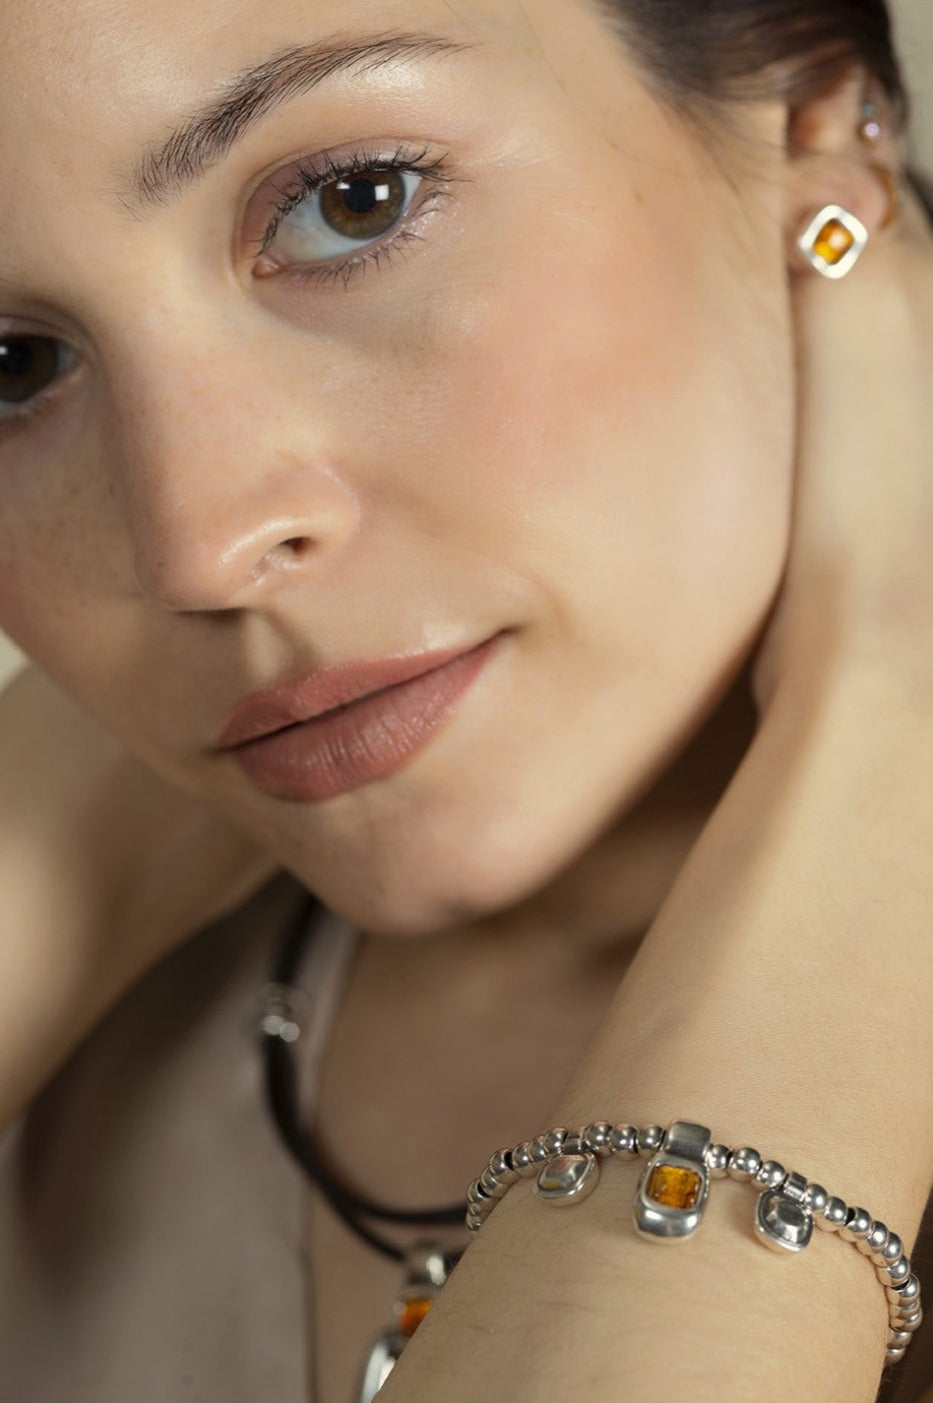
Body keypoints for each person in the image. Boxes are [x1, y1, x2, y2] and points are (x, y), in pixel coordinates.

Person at [0, 0, 930, 1399]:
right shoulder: (86, 1041)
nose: (197, 544)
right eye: (10, 369)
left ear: (806, 117)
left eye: (348, 204)